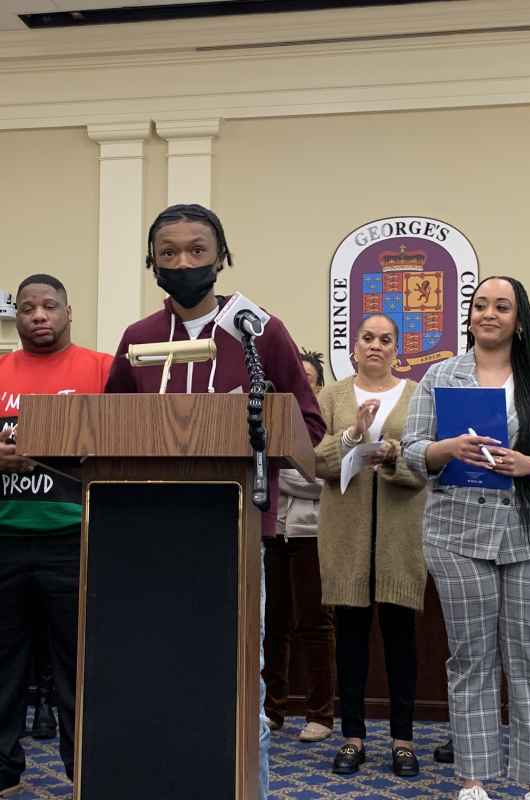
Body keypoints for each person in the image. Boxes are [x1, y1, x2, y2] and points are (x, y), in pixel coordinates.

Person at [104, 203, 327, 798]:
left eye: (197, 251)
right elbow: (105, 426)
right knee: (161, 670)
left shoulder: (260, 331)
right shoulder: (138, 339)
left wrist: (246, 426)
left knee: (234, 678)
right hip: (149, 530)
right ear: (152, 262)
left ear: (222, 258)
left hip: (233, 527)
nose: (183, 262)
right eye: (169, 252)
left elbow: (306, 421)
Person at [401, 275, 530, 800]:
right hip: (458, 536)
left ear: (519, 320)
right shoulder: (440, 377)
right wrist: (445, 450)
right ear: (469, 317)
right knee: (470, 658)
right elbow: (410, 452)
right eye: (480, 305)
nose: (488, 313)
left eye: (501, 306)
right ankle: (474, 778)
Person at [0, 274, 113, 800]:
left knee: (77, 670)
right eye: (29, 307)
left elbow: (135, 431)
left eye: (50, 306)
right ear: (16, 315)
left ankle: (86, 769)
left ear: (67, 311)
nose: (39, 315)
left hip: (75, 544)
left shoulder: (104, 370)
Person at [314, 316, 428, 778]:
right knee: (352, 643)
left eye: (386, 339)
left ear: (396, 349)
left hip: (401, 535)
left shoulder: (419, 395)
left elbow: (427, 463)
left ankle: (403, 740)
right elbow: (315, 460)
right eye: (367, 338)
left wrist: (397, 456)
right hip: (346, 536)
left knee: (402, 642)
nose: (376, 345)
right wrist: (352, 438)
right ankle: (353, 738)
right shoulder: (333, 396)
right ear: (354, 347)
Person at [263, 349, 336, 745]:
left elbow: (324, 481)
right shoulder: (271, 422)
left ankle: (320, 714)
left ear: (318, 386)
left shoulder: (325, 425)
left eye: (308, 377)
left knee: (315, 624)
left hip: (313, 535)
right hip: (273, 532)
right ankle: (271, 710)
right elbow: (263, 475)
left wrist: (280, 473)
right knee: (272, 626)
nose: (301, 383)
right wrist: (285, 473)